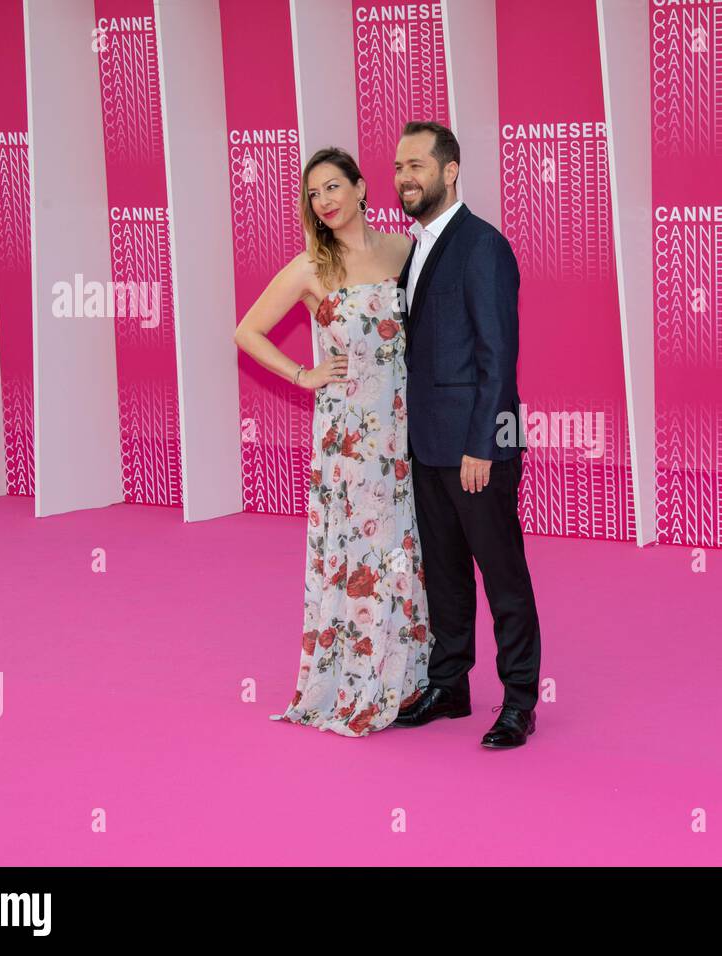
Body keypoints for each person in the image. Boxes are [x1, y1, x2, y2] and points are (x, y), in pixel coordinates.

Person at [234, 147, 431, 737]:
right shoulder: (309, 268)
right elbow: (247, 331)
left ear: (361, 187)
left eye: (333, 187)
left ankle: (408, 675)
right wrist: (304, 374)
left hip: (403, 426)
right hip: (347, 435)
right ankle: (356, 678)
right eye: (314, 194)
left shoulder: (404, 248)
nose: (325, 200)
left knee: (403, 547)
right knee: (357, 551)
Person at [389, 121, 542, 749]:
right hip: (427, 445)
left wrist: (481, 445)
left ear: (450, 171)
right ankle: (449, 685)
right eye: (399, 166)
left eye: (418, 165)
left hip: (477, 448)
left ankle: (521, 700)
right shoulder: (412, 248)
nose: (405, 176)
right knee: (444, 574)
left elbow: (497, 354)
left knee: (501, 574)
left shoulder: (483, 246)